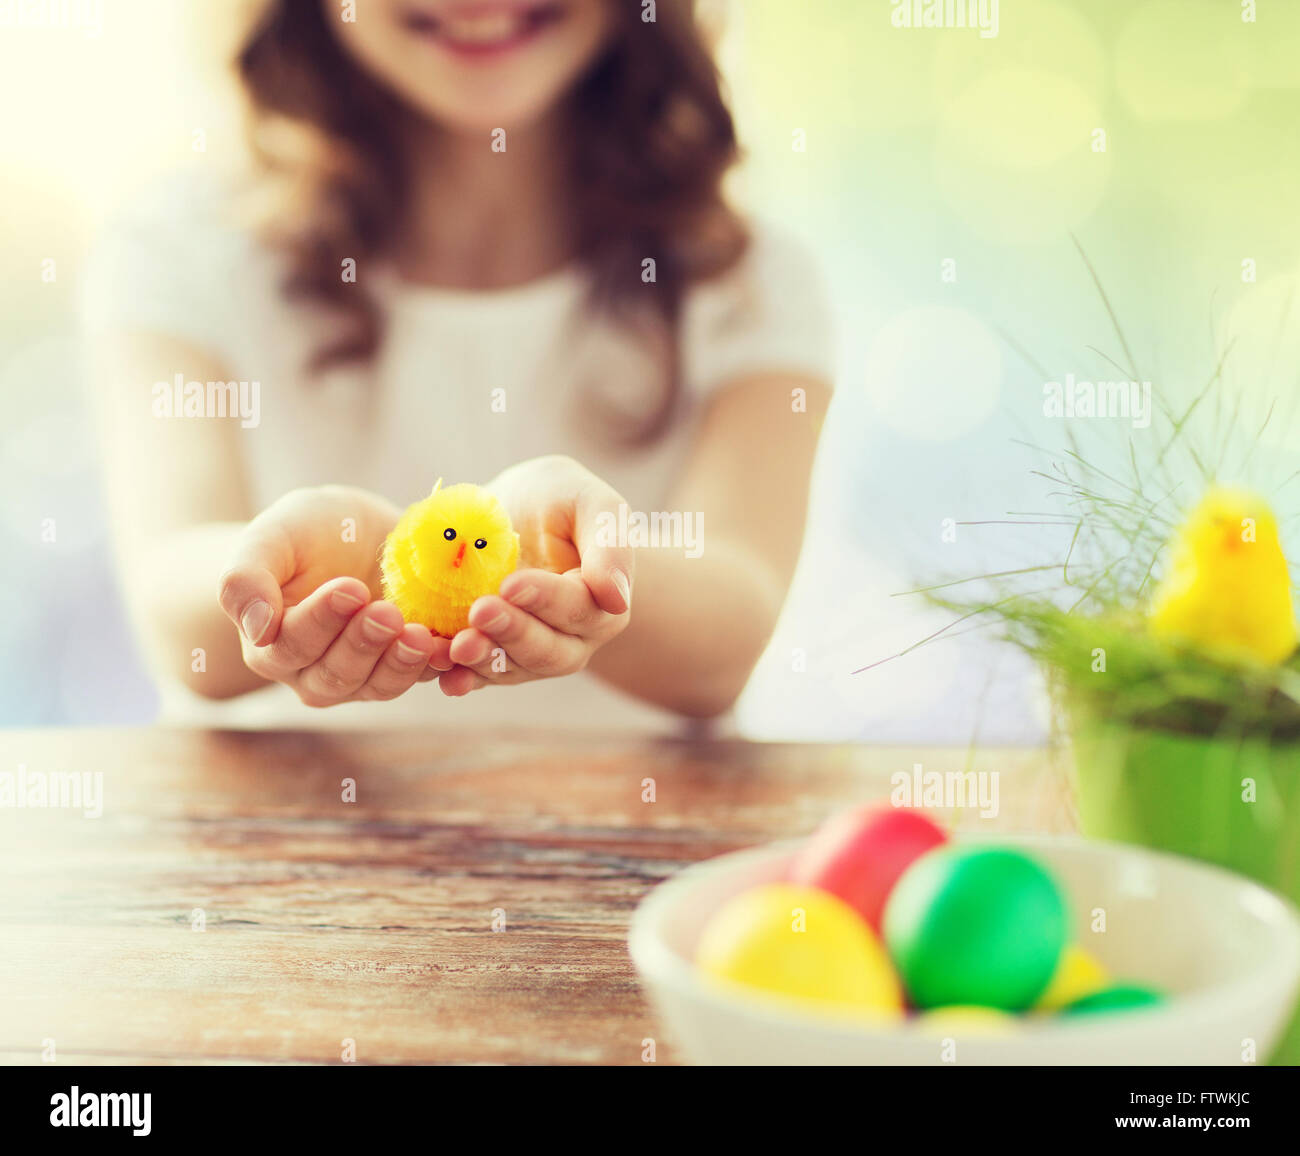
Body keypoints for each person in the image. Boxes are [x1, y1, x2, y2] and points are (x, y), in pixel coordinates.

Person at [83, 0, 833, 732]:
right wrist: (329, 564)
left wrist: (570, 563)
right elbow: (177, 618)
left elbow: (729, 637)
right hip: (274, 837)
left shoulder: (750, 283)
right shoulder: (178, 253)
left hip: (640, 843)